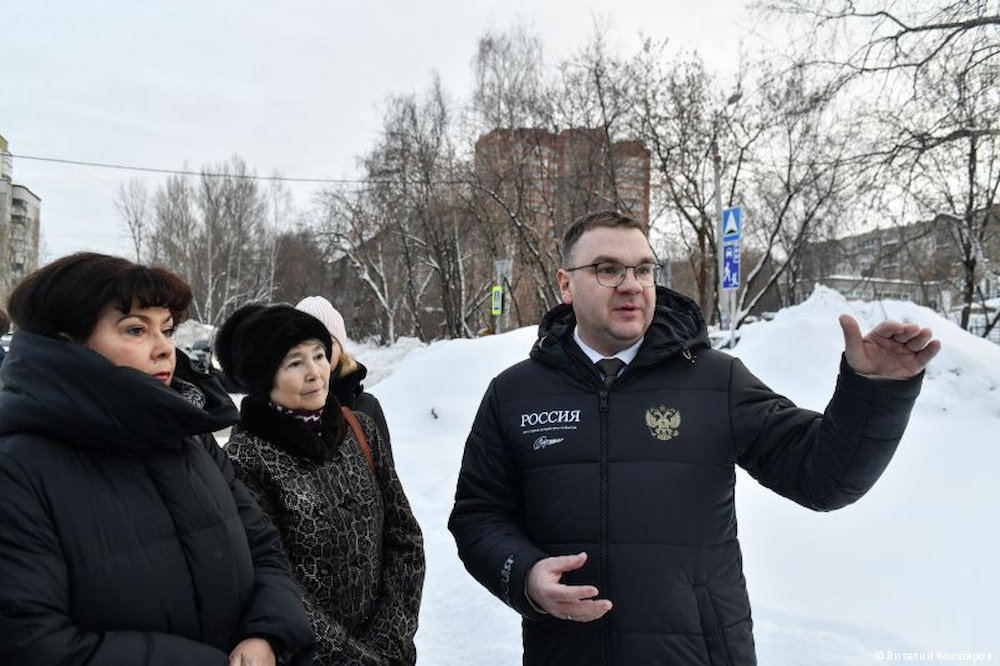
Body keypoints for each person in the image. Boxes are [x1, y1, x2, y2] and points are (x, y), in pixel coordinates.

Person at [448, 211, 941, 666]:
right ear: (565, 284)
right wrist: (526, 575)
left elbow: (823, 480)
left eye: (643, 269)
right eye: (607, 269)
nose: (631, 285)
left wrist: (874, 392)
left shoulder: (716, 380)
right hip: (566, 653)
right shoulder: (514, 394)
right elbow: (478, 515)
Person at [0, 253, 314, 666]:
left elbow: (265, 550)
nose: (165, 348)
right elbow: (30, 643)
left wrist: (267, 633)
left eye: (167, 329)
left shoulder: (191, 440)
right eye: (136, 330)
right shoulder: (17, 468)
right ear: (66, 343)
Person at [216, 304, 425, 666]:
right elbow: (274, 579)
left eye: (318, 355)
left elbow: (405, 538)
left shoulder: (360, 430)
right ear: (264, 378)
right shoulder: (244, 459)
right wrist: (356, 659)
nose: (316, 372)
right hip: (311, 656)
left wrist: (390, 638)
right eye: (295, 363)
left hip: (392, 653)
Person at [295, 296, 392, 448]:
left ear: (341, 349)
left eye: (327, 340)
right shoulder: (270, 410)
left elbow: (385, 470)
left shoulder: (366, 408)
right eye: (305, 341)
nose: (317, 350)